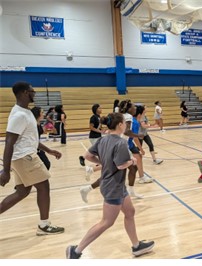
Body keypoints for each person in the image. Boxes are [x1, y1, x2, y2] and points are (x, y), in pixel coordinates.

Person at [66, 113, 155, 259]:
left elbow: (87, 156)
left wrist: (103, 162)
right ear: (120, 125)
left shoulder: (103, 139)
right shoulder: (120, 143)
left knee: (130, 212)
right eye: (125, 123)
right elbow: (121, 166)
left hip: (117, 185)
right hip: (113, 186)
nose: (126, 125)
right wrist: (133, 161)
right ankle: (76, 251)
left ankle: (136, 246)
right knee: (106, 222)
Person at [0, 81, 64, 235]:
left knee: (22, 192)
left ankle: (43, 225)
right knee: (44, 186)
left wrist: (49, 150)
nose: (34, 93)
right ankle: (44, 225)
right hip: (25, 157)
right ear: (24, 93)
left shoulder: (26, 112)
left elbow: (30, 139)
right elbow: (9, 143)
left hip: (24, 155)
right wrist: (6, 170)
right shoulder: (19, 115)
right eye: (32, 91)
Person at [79, 104, 104, 180]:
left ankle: (83, 157)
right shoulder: (93, 117)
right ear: (96, 109)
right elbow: (91, 127)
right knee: (99, 150)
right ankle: (100, 164)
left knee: (95, 150)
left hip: (98, 136)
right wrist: (99, 131)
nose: (101, 109)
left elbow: (99, 126)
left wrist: (102, 130)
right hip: (93, 137)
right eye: (99, 108)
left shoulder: (99, 117)